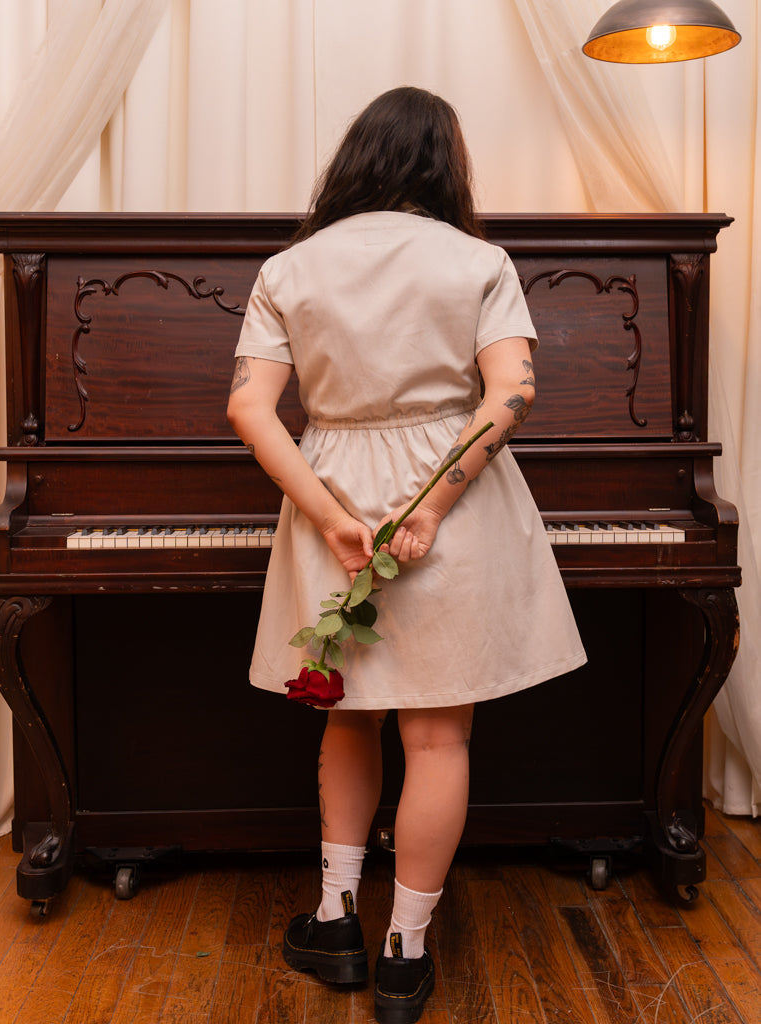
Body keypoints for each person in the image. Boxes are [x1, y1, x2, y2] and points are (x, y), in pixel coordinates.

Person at [227, 86, 586, 1024]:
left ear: (355, 160)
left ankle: (335, 918)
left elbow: (248, 410)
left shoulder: (290, 267)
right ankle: (403, 951)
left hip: (329, 482)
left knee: (346, 719)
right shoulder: (479, 260)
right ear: (445, 166)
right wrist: (430, 507)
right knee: (437, 735)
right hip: (453, 497)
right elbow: (510, 396)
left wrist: (329, 516)